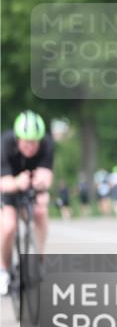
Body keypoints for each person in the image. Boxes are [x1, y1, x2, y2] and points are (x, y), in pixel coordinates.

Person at [1, 111, 54, 296]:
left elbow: (47, 176)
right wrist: (16, 183)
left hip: (32, 186)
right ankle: (4, 269)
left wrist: (41, 183)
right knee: (8, 227)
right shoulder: (5, 144)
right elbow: (3, 183)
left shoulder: (47, 143)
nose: (31, 147)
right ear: (17, 139)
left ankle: (39, 259)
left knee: (40, 211)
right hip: (9, 185)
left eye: (34, 142)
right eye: (26, 142)